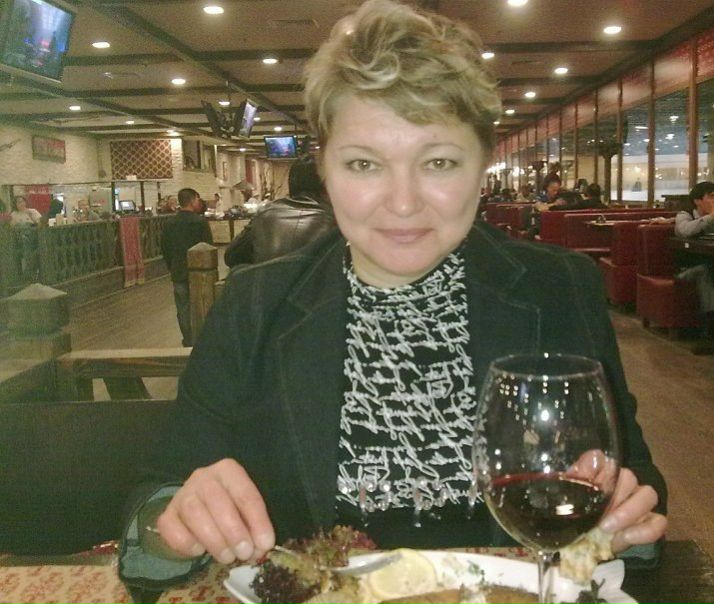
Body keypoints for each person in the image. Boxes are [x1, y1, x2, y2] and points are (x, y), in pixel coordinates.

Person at [119, 0, 666, 589]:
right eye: (364, 164)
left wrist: (621, 519)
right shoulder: (254, 304)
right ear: (325, 169)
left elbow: (634, 489)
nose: (403, 203)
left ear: (483, 164)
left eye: (439, 162)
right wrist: (171, 524)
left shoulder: (558, 288)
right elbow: (155, 507)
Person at [224, 156, 335, 267]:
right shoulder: (335, 219)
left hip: (267, 277)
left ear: (291, 182)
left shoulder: (266, 213)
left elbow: (231, 256)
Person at [673, 181, 714, 354]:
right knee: (704, 271)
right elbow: (685, 231)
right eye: (711, 196)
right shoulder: (684, 215)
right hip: (684, 271)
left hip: (711, 265)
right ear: (697, 201)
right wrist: (712, 216)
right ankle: (708, 332)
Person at [159, 188, 213, 347]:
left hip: (178, 270)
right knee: (202, 304)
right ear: (192, 200)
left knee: (183, 308)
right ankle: (202, 339)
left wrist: (172, 266)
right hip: (200, 272)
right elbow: (208, 247)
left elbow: (165, 248)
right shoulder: (200, 222)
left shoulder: (169, 223)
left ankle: (188, 340)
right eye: (197, 199)